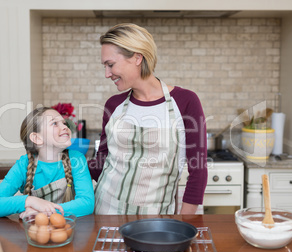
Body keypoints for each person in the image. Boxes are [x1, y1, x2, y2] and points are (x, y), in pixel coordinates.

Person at [88, 23, 208, 215]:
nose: (107, 74)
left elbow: (198, 172)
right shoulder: (114, 105)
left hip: (157, 222)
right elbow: (101, 162)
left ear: (137, 57)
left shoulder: (185, 102)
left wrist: (183, 224)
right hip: (105, 213)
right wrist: (63, 168)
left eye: (110, 65)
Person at [0, 107, 95, 218]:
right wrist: (29, 201)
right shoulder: (23, 165)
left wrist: (43, 212)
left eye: (64, 123)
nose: (65, 127)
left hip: (69, 229)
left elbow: (87, 203)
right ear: (37, 138)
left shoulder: (77, 159)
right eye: (55, 123)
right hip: (33, 231)